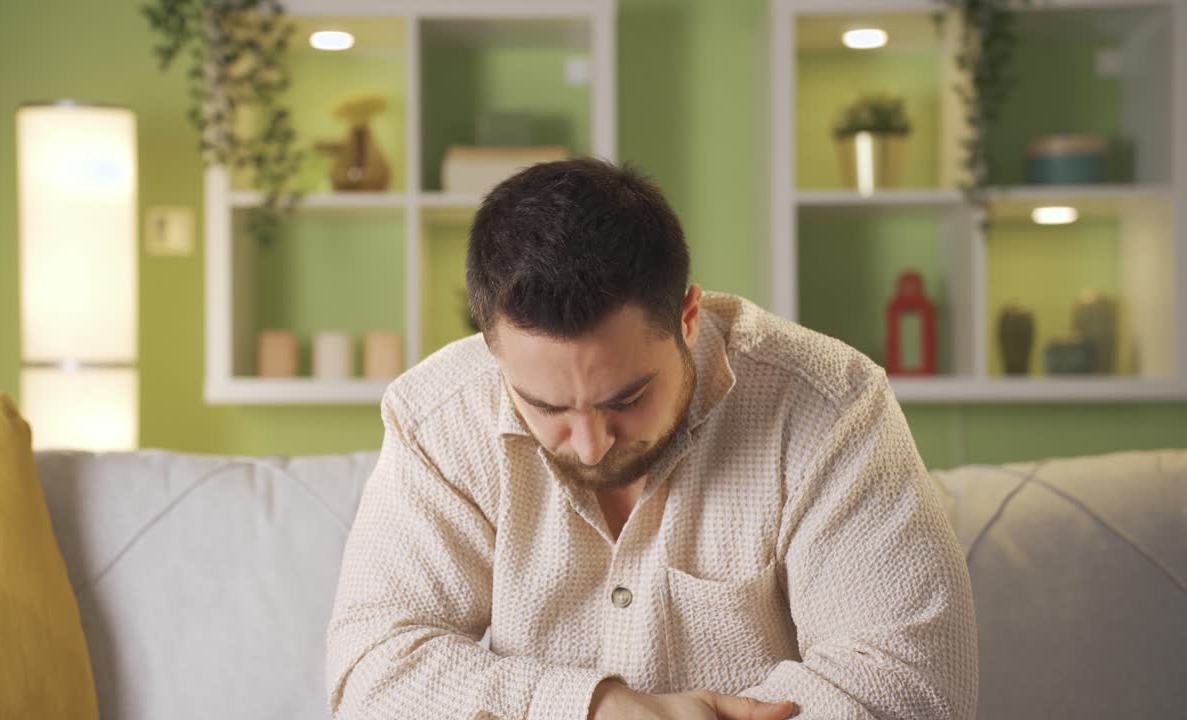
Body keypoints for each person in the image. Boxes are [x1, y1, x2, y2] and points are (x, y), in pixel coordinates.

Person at [326, 158, 977, 719]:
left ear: (688, 318)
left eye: (627, 399)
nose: (589, 445)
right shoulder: (436, 419)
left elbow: (909, 685)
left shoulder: (831, 405)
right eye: (546, 406)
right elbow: (372, 676)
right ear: (491, 346)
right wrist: (599, 708)